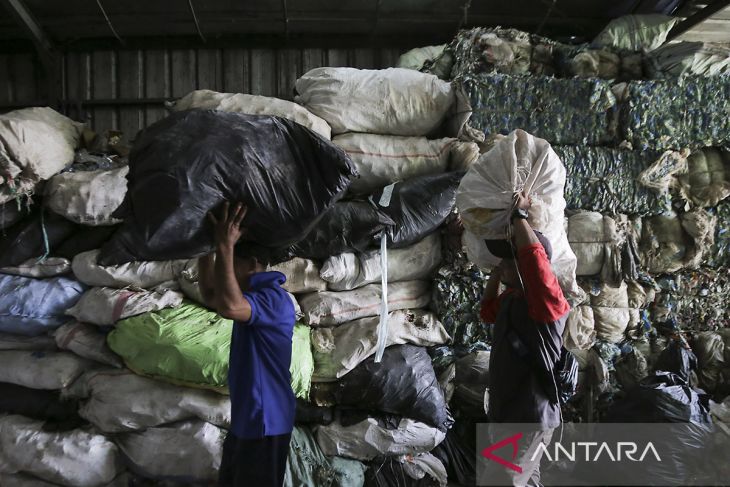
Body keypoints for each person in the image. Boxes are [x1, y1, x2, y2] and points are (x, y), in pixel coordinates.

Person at [198, 201, 296, 487]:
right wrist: (207, 252)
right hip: (249, 417)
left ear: (253, 265)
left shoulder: (273, 298)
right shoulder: (251, 298)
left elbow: (228, 306)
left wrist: (224, 247)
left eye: (232, 265)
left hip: (267, 419)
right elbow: (211, 296)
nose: (226, 273)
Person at [478, 191, 570, 487]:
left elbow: (534, 262)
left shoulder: (547, 304)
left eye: (509, 259)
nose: (504, 264)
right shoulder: (512, 299)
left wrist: (519, 217)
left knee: (501, 480)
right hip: (511, 413)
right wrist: (497, 272)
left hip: (529, 416)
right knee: (524, 481)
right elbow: (487, 311)